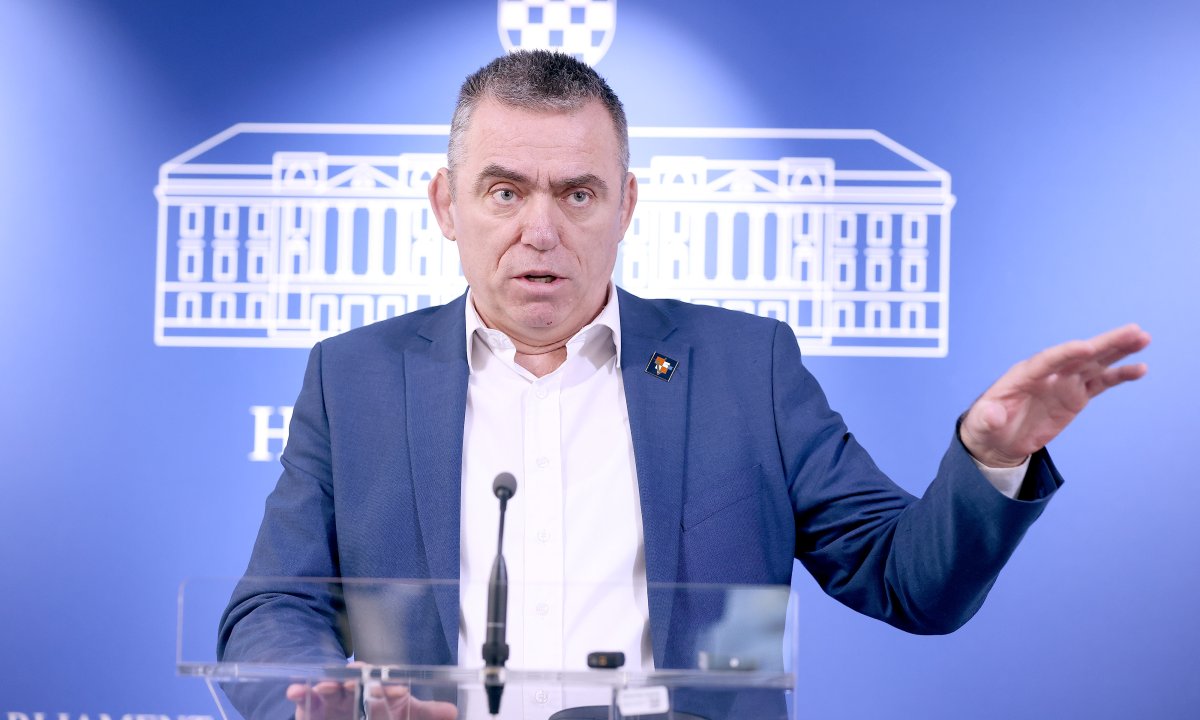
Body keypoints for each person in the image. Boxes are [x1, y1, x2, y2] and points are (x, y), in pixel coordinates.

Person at [217, 50, 1150, 720]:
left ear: (625, 205)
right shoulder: (354, 378)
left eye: (578, 193)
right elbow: (271, 610)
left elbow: (909, 582)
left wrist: (989, 458)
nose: (540, 229)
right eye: (505, 191)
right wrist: (324, 701)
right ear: (445, 205)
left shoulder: (747, 367)